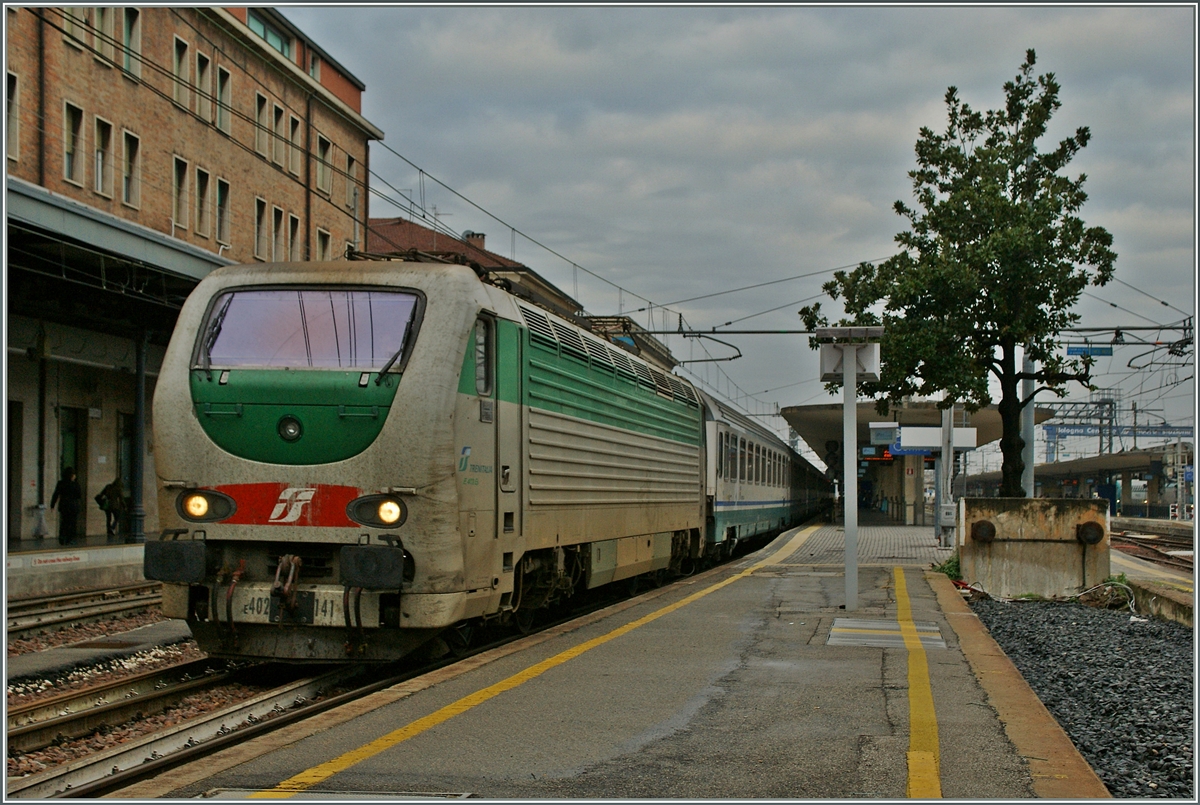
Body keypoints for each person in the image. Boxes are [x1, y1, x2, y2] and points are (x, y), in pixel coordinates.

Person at [50, 467, 83, 546]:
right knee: (72, 523)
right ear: (72, 475)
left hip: (64, 506)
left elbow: (56, 494)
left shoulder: (60, 483)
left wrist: (52, 505)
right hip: (73, 506)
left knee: (64, 522)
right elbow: (79, 495)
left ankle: (62, 538)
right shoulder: (75, 484)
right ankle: (69, 539)